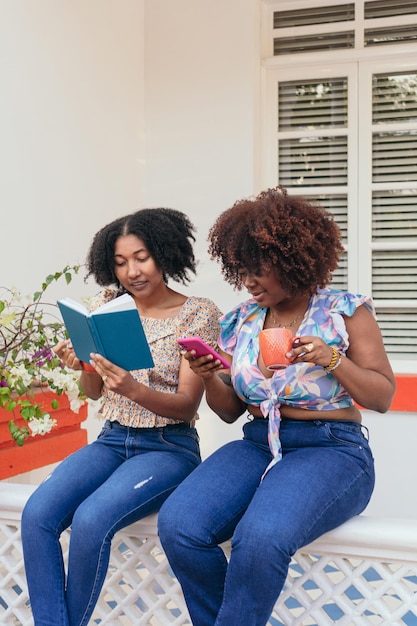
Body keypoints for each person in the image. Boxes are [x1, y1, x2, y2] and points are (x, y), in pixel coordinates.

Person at [158, 187, 396, 626]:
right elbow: (229, 410)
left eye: (258, 268)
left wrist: (331, 358)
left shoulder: (345, 311)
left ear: (292, 258)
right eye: (240, 269)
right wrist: (211, 373)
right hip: (257, 444)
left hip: (332, 448)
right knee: (179, 525)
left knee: (261, 536)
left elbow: (382, 396)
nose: (247, 280)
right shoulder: (242, 320)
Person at [21, 207, 222, 626]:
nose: (132, 270)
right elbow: (94, 392)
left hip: (168, 446)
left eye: (141, 257)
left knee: (92, 520)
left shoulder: (198, 313)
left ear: (164, 254)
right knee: (37, 514)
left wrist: (134, 387)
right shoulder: (106, 305)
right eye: (119, 262)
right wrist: (84, 366)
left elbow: (187, 403)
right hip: (111, 439)